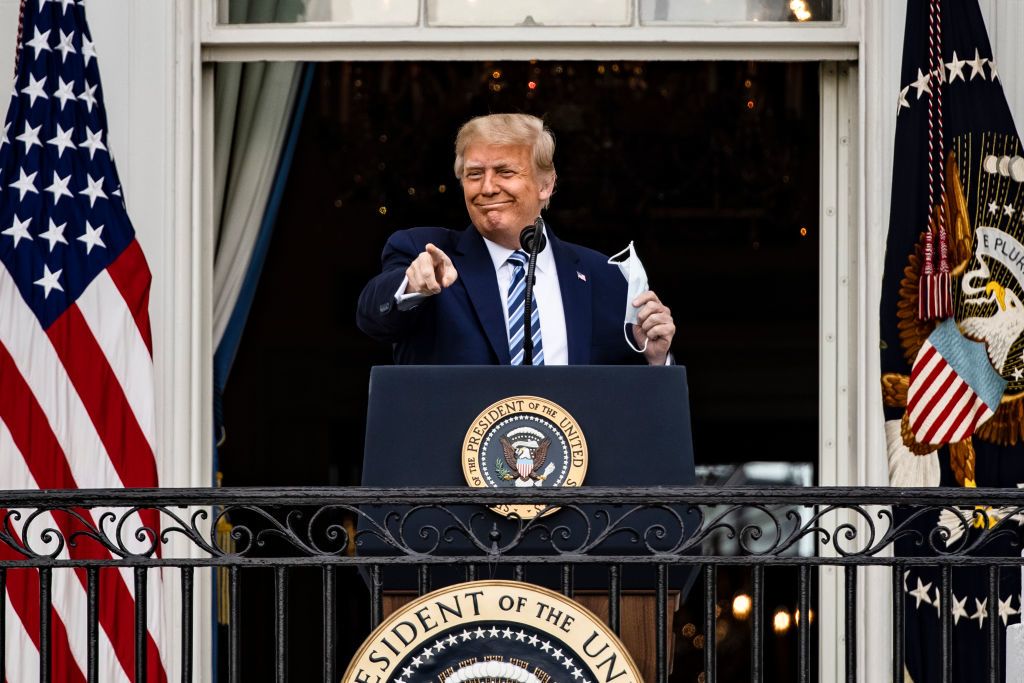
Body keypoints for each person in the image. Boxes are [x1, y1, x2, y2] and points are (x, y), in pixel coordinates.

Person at [357, 113, 675, 366]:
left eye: (505, 172)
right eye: (474, 174)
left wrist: (657, 360)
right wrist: (411, 287)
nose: (487, 188)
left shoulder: (605, 276)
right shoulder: (425, 253)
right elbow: (373, 318)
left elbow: (629, 401)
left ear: (545, 185)